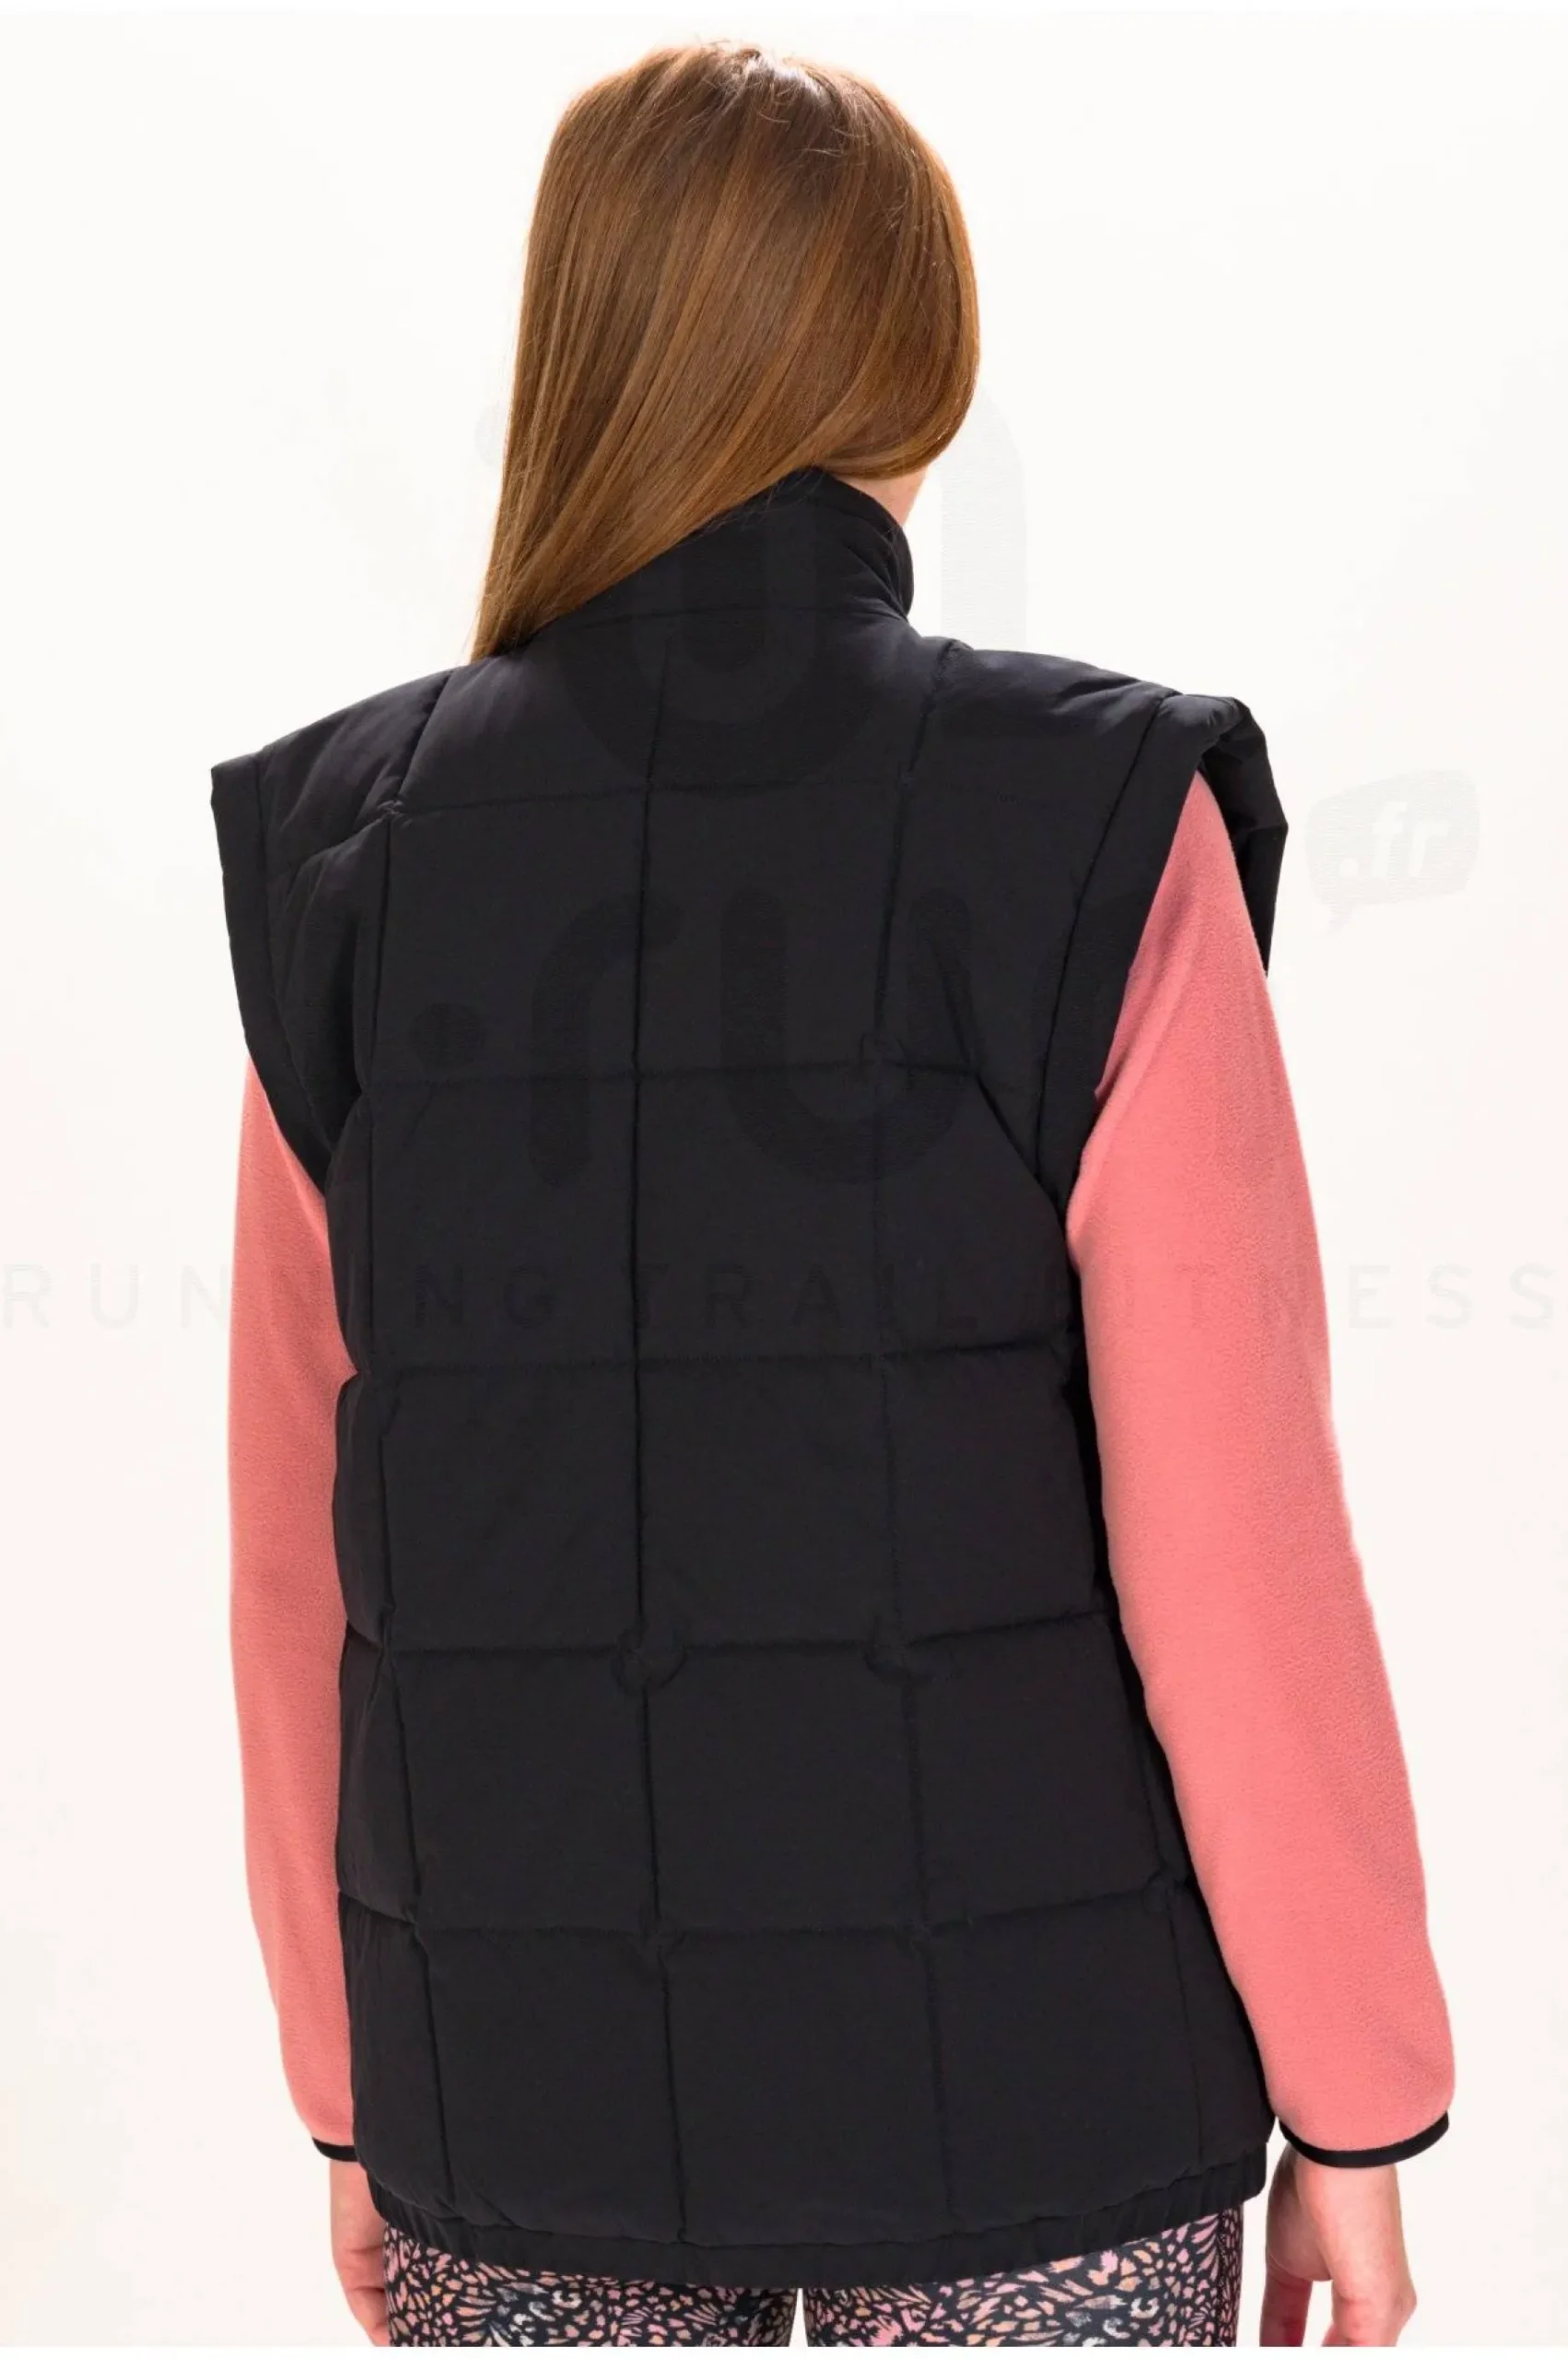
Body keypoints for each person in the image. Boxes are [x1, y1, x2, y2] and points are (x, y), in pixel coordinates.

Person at [212, 39, 1454, 2350]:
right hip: (1045, 2107)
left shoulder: (345, 856)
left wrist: (349, 2096)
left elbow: (301, 1569)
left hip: (517, 2098)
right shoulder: (1091, 818)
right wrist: (1355, 2101)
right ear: (916, 353)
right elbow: (1235, 1544)